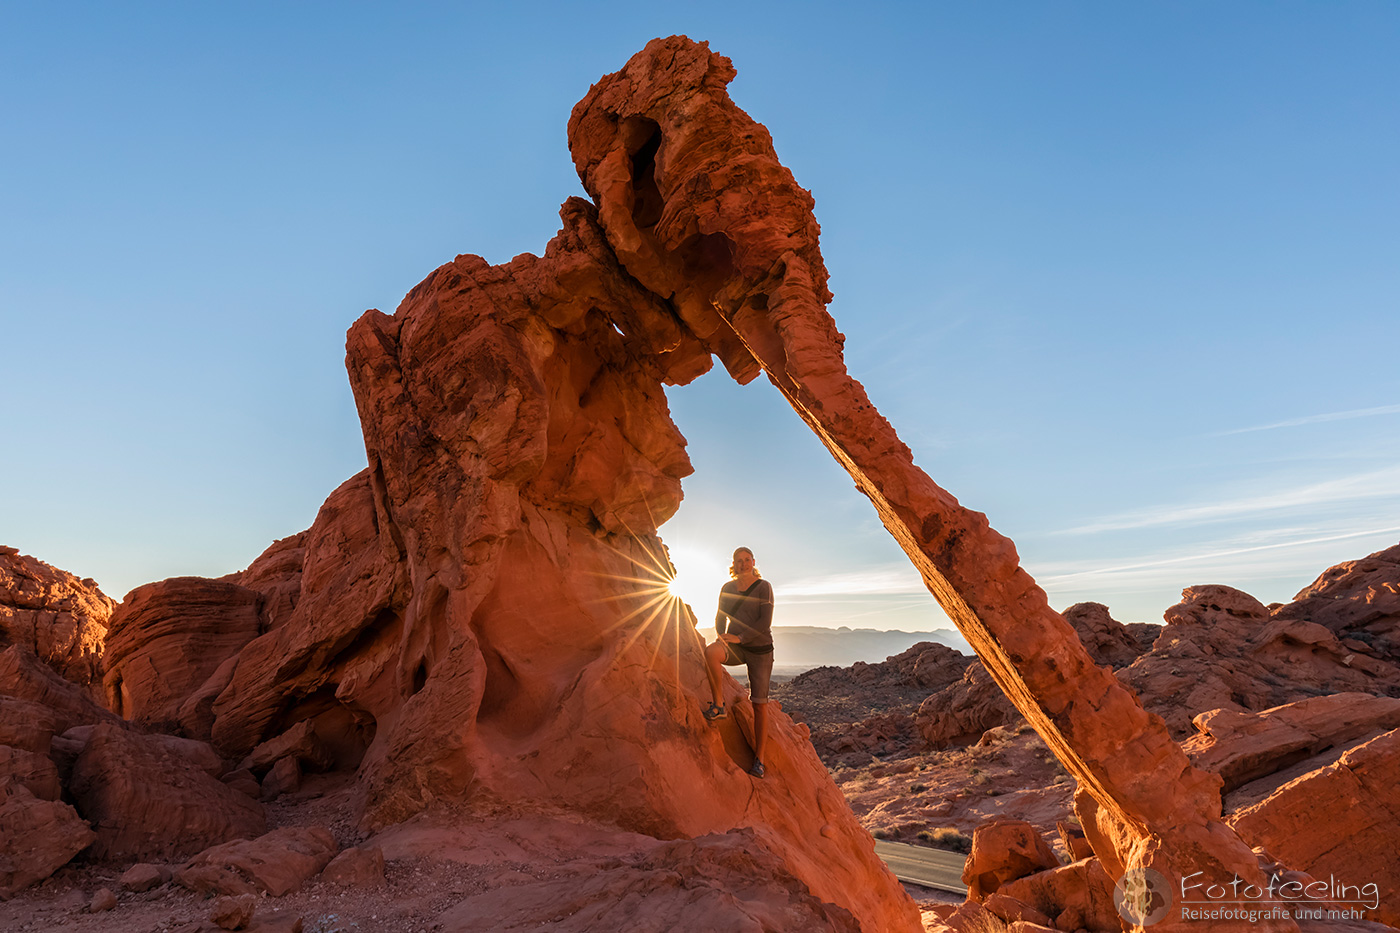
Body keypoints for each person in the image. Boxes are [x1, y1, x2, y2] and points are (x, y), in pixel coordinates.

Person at [702, 546, 774, 778]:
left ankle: (759, 761)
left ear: (753, 562)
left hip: (760, 650)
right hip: (735, 647)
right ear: (733, 564)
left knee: (759, 704)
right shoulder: (727, 588)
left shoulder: (764, 587)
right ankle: (719, 706)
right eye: (738, 560)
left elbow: (765, 622)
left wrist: (740, 637)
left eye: (746, 560)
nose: (743, 563)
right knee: (712, 652)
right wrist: (721, 637)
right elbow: (720, 616)